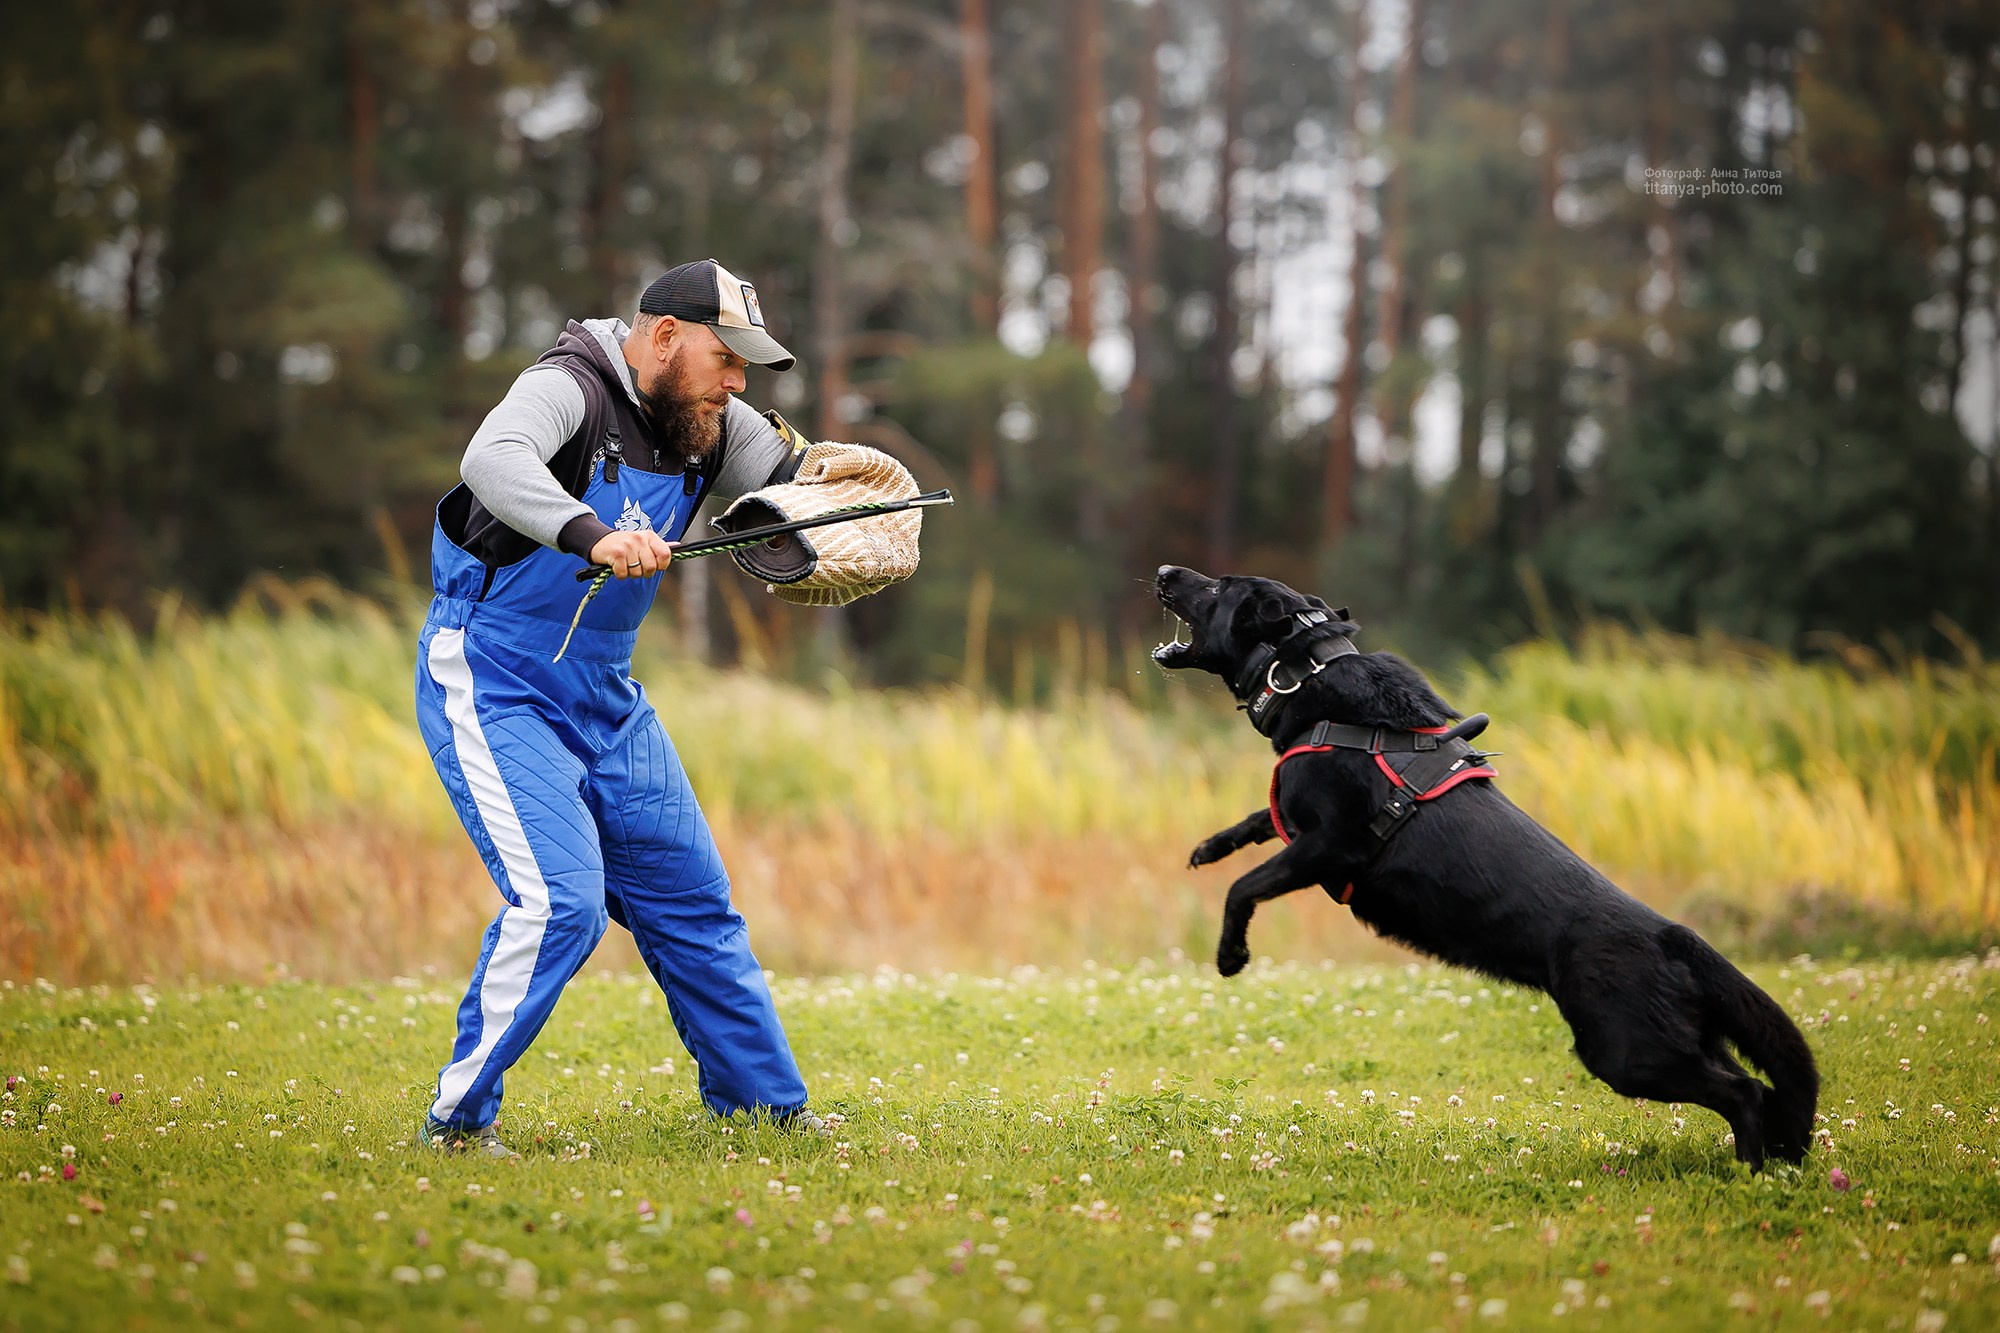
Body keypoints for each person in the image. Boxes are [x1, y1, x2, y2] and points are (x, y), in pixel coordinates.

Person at [414, 259, 822, 1156]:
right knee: (561, 904)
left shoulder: (705, 419)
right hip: (493, 676)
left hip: (607, 696)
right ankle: (457, 1122)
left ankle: (766, 1112)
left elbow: (801, 489)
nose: (737, 382)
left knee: (694, 902)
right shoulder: (568, 387)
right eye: (727, 358)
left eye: (746, 368)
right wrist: (593, 534)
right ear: (665, 337)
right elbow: (491, 460)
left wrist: (848, 517)